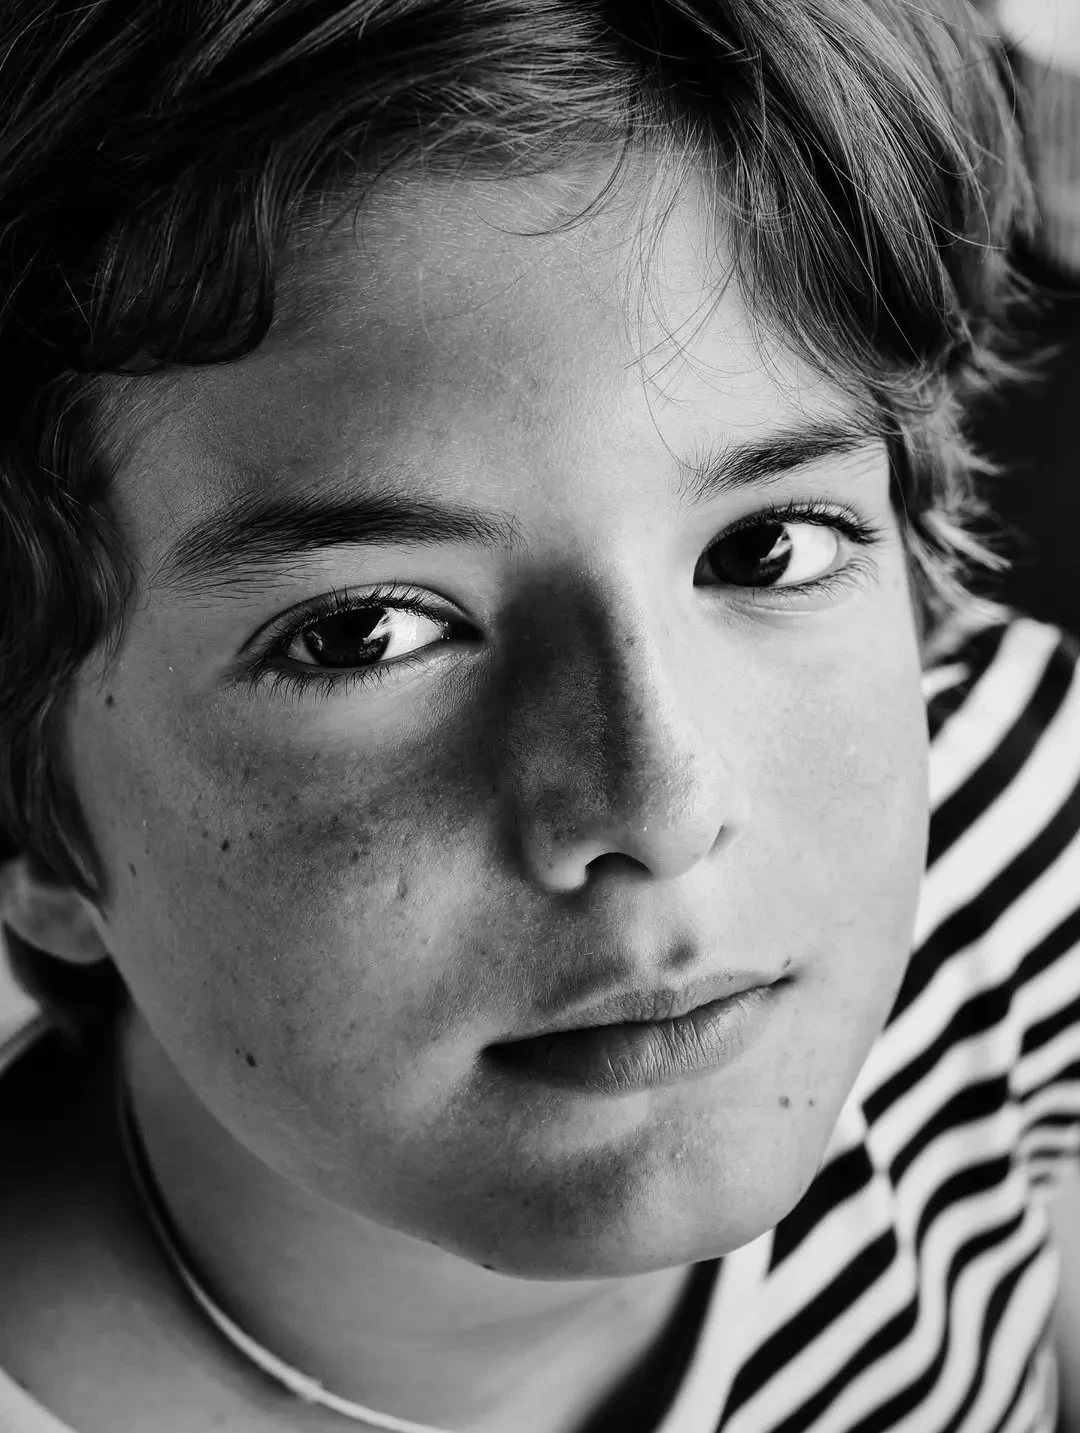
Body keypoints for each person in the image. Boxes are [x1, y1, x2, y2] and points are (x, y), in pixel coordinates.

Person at [0, 0, 1077, 1429]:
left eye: (769, 549)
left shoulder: (1019, 845)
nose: (661, 806)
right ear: (32, 822)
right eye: (363, 634)